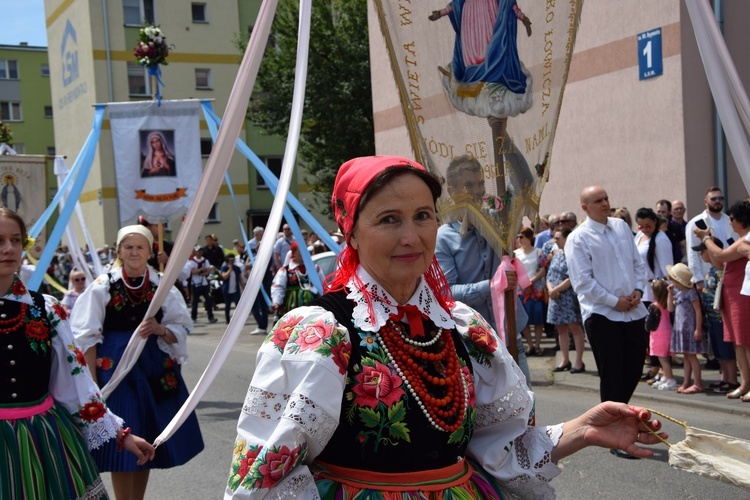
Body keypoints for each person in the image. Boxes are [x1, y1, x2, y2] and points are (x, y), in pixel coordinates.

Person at [224, 156, 666, 498]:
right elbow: (263, 478)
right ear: (351, 233)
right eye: (388, 219)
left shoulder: (462, 327)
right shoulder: (320, 334)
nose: (411, 236)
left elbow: (500, 448)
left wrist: (582, 430)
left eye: (422, 215)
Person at [0, 209, 155, 498]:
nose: (9, 248)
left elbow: (75, 380)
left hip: (41, 437)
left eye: (16, 240)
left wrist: (120, 433)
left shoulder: (46, 309)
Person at [71, 224, 204, 500]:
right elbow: (87, 337)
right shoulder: (102, 286)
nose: (134, 252)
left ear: (150, 251)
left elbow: (179, 326)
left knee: (146, 436)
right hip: (115, 370)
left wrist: (160, 329)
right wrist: (94, 384)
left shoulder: (161, 285)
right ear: (119, 251)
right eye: (128, 247)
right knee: (124, 438)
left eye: (140, 247)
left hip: (152, 368)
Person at [565, 186, 649, 459]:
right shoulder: (578, 238)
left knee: (634, 367)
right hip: (603, 315)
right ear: (585, 207)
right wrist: (615, 301)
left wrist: (637, 290)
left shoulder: (621, 228)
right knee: (612, 374)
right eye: (598, 201)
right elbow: (583, 282)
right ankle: (616, 433)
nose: (605, 203)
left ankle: (615, 421)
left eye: (606, 199)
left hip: (633, 310)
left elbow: (637, 262)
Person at [435, 154, 532, 386]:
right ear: (452, 191)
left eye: (480, 183)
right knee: (491, 417)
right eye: (468, 185)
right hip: (474, 342)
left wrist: (504, 140)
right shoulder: (443, 238)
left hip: (510, 334)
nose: (477, 191)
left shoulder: (498, 222)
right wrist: (490, 286)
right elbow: (447, 293)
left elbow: (523, 184)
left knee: (527, 405)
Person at [694, 200, 750, 401]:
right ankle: (745, 383)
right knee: (738, 343)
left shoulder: (746, 241)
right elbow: (719, 262)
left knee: (747, 342)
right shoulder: (741, 240)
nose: (731, 223)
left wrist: (707, 238)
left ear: (742, 220)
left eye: (733, 219)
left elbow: (720, 253)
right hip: (733, 297)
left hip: (743, 297)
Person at [693, 237, 739, 394]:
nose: (701, 255)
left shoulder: (721, 269)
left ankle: (732, 380)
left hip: (719, 316)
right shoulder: (711, 270)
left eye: (703, 252)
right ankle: (725, 377)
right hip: (710, 316)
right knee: (719, 351)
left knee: (727, 351)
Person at [634, 207, 673, 381]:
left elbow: (667, 269)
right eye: (640, 226)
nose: (643, 229)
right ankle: (654, 365)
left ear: (655, 222)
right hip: (642, 291)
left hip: (655, 292)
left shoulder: (661, 240)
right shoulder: (639, 236)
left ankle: (661, 368)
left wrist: (664, 294)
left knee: (657, 331)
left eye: (647, 226)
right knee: (647, 332)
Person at [547, 228, 585, 373]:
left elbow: (572, 277)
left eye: (558, 238)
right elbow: (549, 275)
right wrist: (551, 289)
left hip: (568, 296)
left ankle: (578, 361)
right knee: (561, 328)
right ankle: (564, 360)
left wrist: (556, 289)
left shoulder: (572, 255)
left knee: (574, 327)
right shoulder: (557, 255)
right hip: (555, 297)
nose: (555, 241)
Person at [686, 187, 737, 292]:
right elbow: (692, 253)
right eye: (713, 199)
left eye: (720, 198)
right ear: (706, 202)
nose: (717, 201)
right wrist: (697, 279)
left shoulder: (730, 220)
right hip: (708, 274)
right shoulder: (696, 223)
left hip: (729, 272)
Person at [666, 264, 706, 394]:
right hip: (680, 329)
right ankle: (686, 381)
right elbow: (670, 309)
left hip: (690, 329)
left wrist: (698, 329)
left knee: (692, 357)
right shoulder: (679, 294)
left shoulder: (691, 293)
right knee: (686, 356)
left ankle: (697, 383)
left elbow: (698, 311)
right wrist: (670, 293)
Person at [514, 226, 546, 356]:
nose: (519, 239)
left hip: (535, 290)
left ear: (529, 237)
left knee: (538, 318)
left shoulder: (538, 252)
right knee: (524, 319)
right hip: (521, 290)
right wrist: (522, 283)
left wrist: (531, 281)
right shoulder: (515, 254)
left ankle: (537, 345)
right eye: (518, 237)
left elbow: (542, 270)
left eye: (521, 236)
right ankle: (530, 345)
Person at [270, 241, 325, 316]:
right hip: (292, 307)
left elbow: (323, 284)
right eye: (300, 251)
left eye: (305, 250)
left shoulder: (314, 269)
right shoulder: (286, 270)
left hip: (312, 307)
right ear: (294, 253)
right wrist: (276, 301)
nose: (303, 253)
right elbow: (278, 287)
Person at [648, 279, 676, 390]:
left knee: (663, 359)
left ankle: (670, 380)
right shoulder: (667, 305)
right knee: (666, 358)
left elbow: (649, 323)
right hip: (668, 333)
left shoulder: (653, 306)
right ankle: (665, 376)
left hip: (658, 335)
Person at [187, 246, 218, 324]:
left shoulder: (205, 260)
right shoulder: (192, 261)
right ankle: (193, 317)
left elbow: (208, 271)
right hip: (195, 283)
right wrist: (201, 270)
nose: (199, 252)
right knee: (195, 302)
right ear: (195, 252)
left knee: (208, 300)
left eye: (201, 251)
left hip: (204, 283)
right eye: (198, 251)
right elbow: (193, 272)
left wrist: (201, 272)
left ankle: (211, 317)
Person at [656, 199, 685, 264]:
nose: (660, 214)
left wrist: (684, 260)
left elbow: (683, 245)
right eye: (658, 212)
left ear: (669, 212)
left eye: (663, 212)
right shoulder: (652, 227)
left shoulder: (675, 227)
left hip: (673, 263)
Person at [221, 254, 244, 324]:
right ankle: (227, 319)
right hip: (227, 290)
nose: (232, 261)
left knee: (238, 305)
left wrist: (243, 287)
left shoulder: (237, 268)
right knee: (227, 305)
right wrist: (230, 269)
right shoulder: (224, 267)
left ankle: (238, 319)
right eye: (230, 260)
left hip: (235, 290)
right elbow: (224, 276)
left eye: (233, 260)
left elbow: (240, 278)